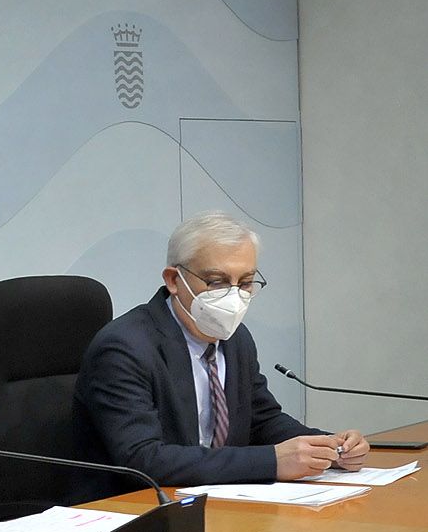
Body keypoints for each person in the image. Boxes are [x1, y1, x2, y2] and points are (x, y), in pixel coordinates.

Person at [71, 211, 368, 498]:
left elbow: (262, 421)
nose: (234, 296)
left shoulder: (236, 338)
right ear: (174, 280)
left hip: (216, 503)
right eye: (217, 282)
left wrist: (330, 447)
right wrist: (272, 462)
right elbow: (143, 459)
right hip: (133, 512)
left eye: (246, 282)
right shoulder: (125, 347)